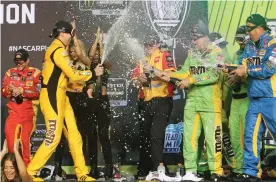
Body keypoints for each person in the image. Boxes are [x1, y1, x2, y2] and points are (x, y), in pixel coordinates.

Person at [27, 20, 103, 181]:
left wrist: (72, 31)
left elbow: (72, 62)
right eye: (70, 34)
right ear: (63, 34)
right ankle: (30, 172)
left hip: (61, 96)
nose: (72, 37)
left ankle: (81, 173)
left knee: (75, 136)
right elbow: (74, 74)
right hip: (52, 96)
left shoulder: (59, 48)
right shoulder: (57, 51)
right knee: (53, 136)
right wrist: (93, 73)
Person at [161, 20, 225, 181]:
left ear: (205, 37)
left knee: (213, 138)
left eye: (196, 38)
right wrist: (169, 74)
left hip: (210, 103)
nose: (194, 41)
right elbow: (184, 72)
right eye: (193, 38)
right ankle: (190, 170)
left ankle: (216, 171)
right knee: (189, 138)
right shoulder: (193, 52)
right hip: (192, 102)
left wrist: (191, 81)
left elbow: (214, 74)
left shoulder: (216, 52)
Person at [231, 14, 276, 181]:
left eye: (250, 29)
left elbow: (269, 68)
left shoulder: (273, 43)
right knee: (250, 135)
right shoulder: (249, 45)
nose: (248, 32)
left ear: (260, 28)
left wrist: (247, 71)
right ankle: (251, 172)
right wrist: (234, 72)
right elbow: (243, 63)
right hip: (254, 98)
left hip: (272, 97)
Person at [135, 37, 176, 179]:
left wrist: (153, 70)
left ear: (157, 44)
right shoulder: (141, 59)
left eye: (151, 44)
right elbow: (134, 80)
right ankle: (143, 168)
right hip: (145, 102)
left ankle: (158, 168)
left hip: (162, 100)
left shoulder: (165, 55)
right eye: (146, 44)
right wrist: (139, 79)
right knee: (145, 136)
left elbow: (171, 76)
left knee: (156, 135)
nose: (148, 47)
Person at [1, 49, 41, 166]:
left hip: (28, 113)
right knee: (10, 144)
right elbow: (3, 92)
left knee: (25, 144)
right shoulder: (9, 73)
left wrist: (22, 91)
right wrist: (10, 90)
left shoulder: (35, 73)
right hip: (13, 112)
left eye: (21, 61)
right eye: (17, 61)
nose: (19, 64)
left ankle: (27, 172)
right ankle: (13, 171)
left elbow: (38, 92)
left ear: (27, 60)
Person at [225, 25, 250, 177]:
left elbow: (257, 77)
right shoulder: (235, 55)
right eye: (238, 39)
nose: (240, 42)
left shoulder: (253, 56)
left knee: (247, 137)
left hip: (248, 100)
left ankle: (250, 169)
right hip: (234, 100)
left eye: (243, 39)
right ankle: (238, 169)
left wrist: (240, 78)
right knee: (234, 137)